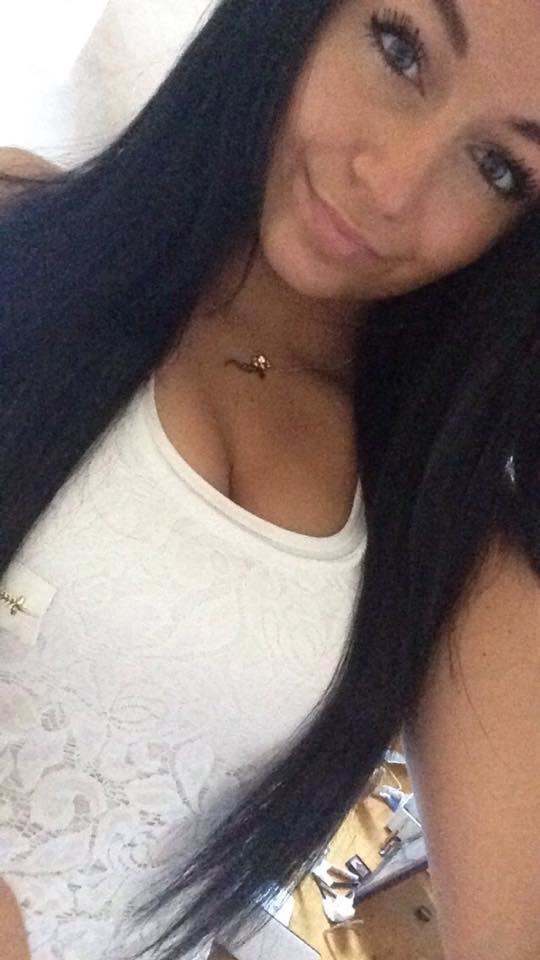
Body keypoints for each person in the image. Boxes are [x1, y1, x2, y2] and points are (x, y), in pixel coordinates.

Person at [0, 1, 538, 958]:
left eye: (498, 167)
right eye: (400, 50)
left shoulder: (451, 546)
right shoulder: (24, 242)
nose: (389, 184)